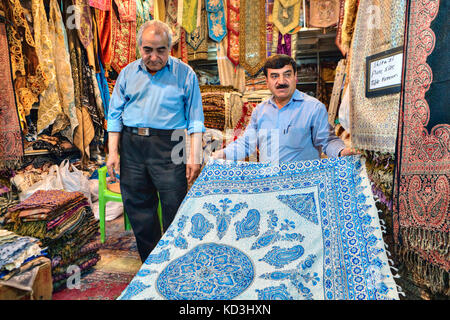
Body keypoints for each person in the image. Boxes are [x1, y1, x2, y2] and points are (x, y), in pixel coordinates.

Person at [106, 20, 205, 262]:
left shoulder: (185, 74)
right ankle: (150, 263)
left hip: (172, 144)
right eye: (148, 49)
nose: (154, 56)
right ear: (139, 47)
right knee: (139, 207)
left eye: (161, 50)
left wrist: (194, 156)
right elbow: (114, 115)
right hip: (132, 145)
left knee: (174, 205)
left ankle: (174, 261)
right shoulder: (128, 73)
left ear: (170, 48)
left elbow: (195, 119)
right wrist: (112, 152)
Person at [213, 54, 357, 163]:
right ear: (267, 81)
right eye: (274, 76)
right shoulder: (260, 111)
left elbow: (327, 140)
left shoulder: (313, 107)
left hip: (303, 185)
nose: (281, 81)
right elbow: (246, 143)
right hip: (270, 185)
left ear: (295, 77)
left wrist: (341, 151)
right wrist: (223, 154)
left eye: (287, 75)